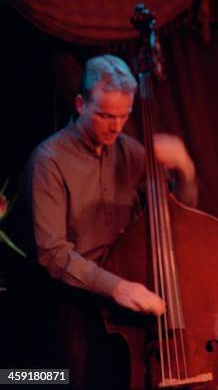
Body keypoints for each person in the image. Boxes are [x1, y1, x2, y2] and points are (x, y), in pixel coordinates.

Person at [25, 54, 198, 387]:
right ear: (80, 104)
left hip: (123, 300)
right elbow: (53, 254)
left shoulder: (131, 152)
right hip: (73, 301)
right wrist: (116, 287)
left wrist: (185, 171)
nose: (116, 127)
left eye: (123, 115)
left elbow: (174, 219)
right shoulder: (49, 161)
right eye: (105, 115)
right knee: (69, 380)